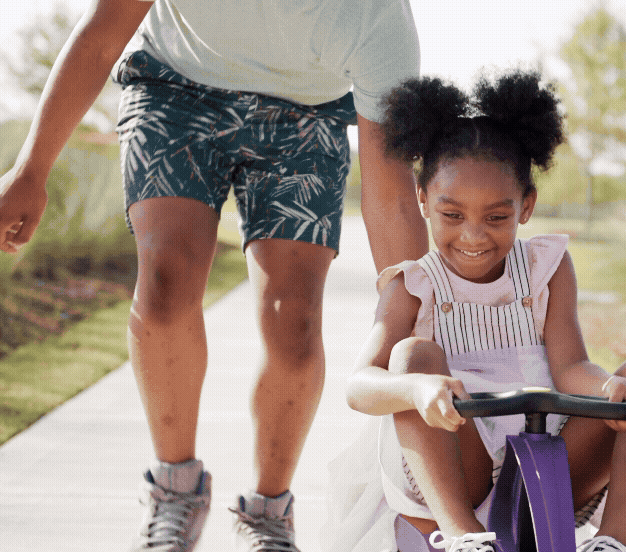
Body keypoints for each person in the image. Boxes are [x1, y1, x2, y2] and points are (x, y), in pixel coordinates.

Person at [0, 1, 428, 551]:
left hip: (307, 114)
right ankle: (175, 490)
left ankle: (268, 514)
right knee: (165, 287)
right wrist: (32, 168)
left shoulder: (373, 15)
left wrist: (417, 317)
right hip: (174, 91)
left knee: (293, 328)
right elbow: (103, 36)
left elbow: (390, 189)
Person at [332, 70, 626, 552]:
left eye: (497, 217)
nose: (473, 236)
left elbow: (571, 367)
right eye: (453, 215)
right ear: (423, 200)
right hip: (453, 462)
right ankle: (465, 538)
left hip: (547, 461)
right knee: (413, 356)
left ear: (526, 206)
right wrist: (414, 387)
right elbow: (357, 385)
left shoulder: (545, 269)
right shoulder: (413, 285)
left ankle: (612, 542)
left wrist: (607, 387)